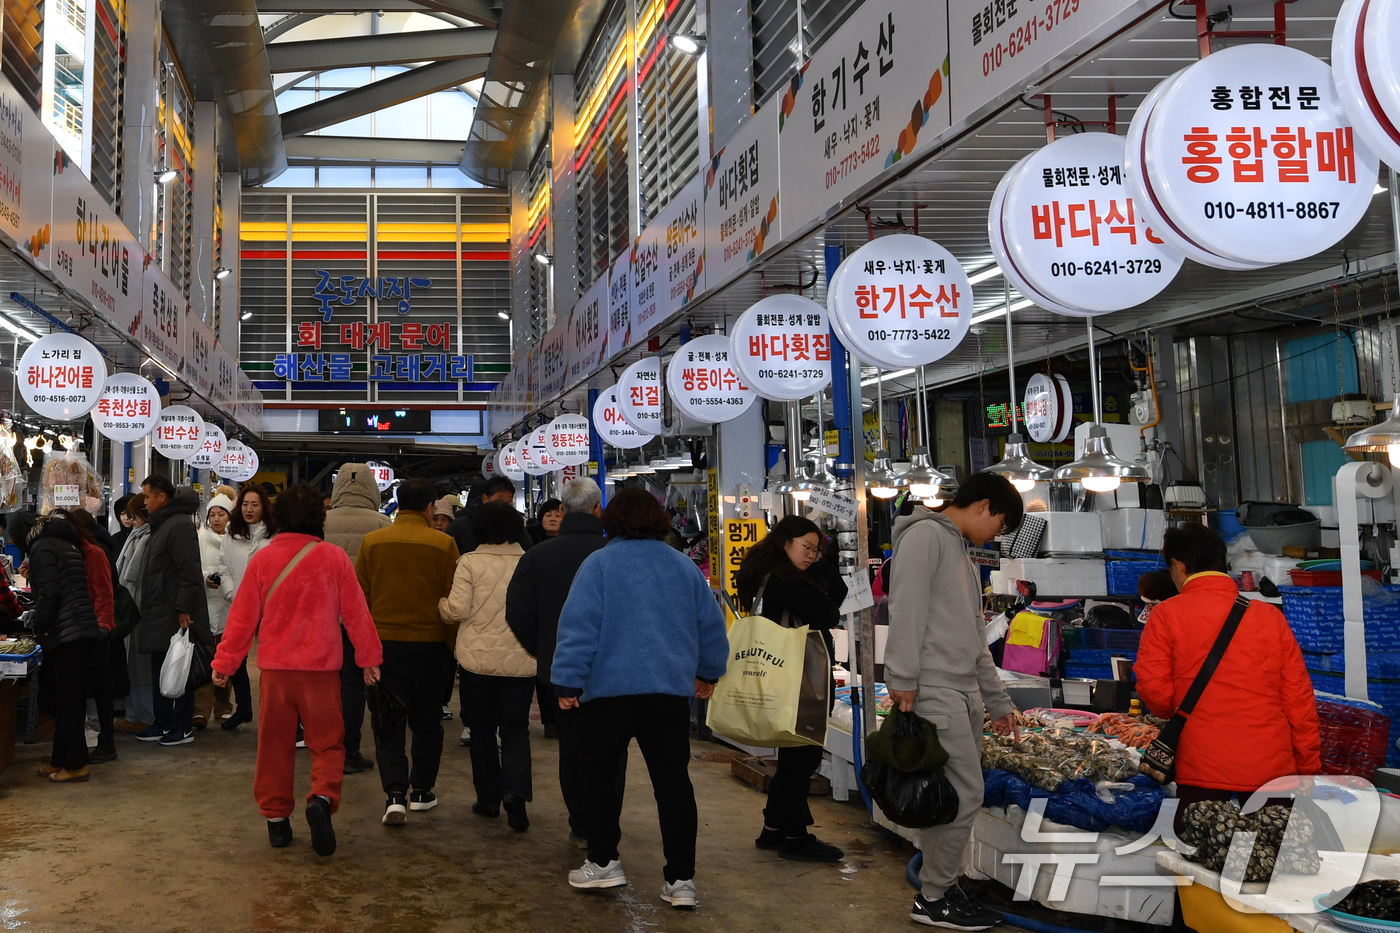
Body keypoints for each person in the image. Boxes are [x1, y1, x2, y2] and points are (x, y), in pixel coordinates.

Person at [552, 487, 728, 909]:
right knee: (673, 786)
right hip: (668, 694)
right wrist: (708, 673)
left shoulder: (598, 565)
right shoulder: (682, 567)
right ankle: (681, 880)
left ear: (610, 520)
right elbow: (711, 626)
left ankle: (604, 860)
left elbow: (579, 628)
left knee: (597, 776)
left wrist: (568, 682)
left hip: (608, 694)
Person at [885, 472, 1024, 931]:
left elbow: (972, 635)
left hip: (960, 690)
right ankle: (934, 897)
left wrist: (997, 701)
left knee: (945, 798)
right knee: (965, 795)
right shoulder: (926, 536)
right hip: (935, 690)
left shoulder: (958, 547)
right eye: (1001, 525)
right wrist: (902, 676)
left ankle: (941, 883)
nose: (997, 536)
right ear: (984, 506)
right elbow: (907, 609)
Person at [213, 484, 384, 857]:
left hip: (275, 671)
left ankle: (276, 822)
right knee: (327, 743)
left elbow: (242, 619)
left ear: (277, 518)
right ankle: (321, 798)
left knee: (273, 745)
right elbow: (357, 614)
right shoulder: (335, 558)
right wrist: (369, 659)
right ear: (318, 518)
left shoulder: (263, 559)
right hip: (321, 671)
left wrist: (225, 663)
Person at [1135, 524, 1320, 825]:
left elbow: (1158, 697)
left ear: (1179, 567)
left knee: (1198, 864)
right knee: (1270, 865)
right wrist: (1307, 768)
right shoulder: (1270, 618)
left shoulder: (1166, 616)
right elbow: (1299, 702)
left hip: (1202, 769)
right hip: (1269, 770)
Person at [735, 515, 848, 863]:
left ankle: (773, 829)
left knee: (795, 757)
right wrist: (826, 568)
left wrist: (820, 563)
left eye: (816, 549)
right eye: (806, 547)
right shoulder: (784, 581)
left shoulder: (771, 575)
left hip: (792, 678)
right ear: (785, 543)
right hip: (801, 679)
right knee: (802, 757)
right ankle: (796, 836)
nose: (811, 555)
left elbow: (836, 596)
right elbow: (830, 609)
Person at [506, 476, 609, 844]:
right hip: (611, 672)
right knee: (608, 751)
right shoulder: (612, 553)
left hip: (559, 671)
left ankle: (580, 824)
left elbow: (517, 611)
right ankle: (604, 824)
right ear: (599, 509)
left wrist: (544, 651)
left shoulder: (537, 555)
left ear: (563, 511)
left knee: (572, 750)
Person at [356, 477, 460, 825]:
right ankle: (422, 792)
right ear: (431, 508)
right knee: (428, 722)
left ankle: (395, 795)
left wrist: (365, 646)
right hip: (430, 646)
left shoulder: (372, 542)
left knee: (388, 721)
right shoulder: (444, 545)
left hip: (385, 646)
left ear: (398, 504)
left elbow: (361, 598)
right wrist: (450, 647)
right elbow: (452, 601)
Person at [439, 501, 531, 829]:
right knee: (516, 729)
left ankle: (489, 799)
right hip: (522, 660)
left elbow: (457, 610)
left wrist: (441, 605)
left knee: (481, 731)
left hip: (476, 662)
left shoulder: (470, 562)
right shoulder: (529, 560)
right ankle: (516, 795)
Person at [12, 511, 101, 781]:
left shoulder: (41, 547)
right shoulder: (62, 542)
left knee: (69, 702)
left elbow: (49, 593)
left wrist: (42, 624)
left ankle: (75, 765)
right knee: (66, 700)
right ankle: (60, 759)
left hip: (67, 630)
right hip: (78, 628)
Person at [132, 476, 214, 748]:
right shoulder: (162, 525)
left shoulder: (179, 526)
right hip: (159, 610)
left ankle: (182, 725)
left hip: (174, 612)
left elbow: (189, 572)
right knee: (161, 670)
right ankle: (163, 722)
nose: (144, 502)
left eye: (147, 497)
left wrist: (184, 609)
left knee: (180, 668)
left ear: (162, 498)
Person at [325, 463, 391, 774]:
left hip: (323, 617)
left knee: (325, 684)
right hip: (362, 616)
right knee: (352, 684)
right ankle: (349, 750)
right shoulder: (382, 523)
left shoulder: (321, 521)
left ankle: (323, 747)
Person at [218, 484, 278, 731]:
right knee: (237, 657)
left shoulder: (274, 534)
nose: (249, 509)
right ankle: (244, 708)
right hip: (239, 603)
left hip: (270, 606)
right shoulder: (232, 530)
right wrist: (232, 593)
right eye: (244, 504)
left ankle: (276, 712)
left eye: (254, 504)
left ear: (264, 507)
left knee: (272, 659)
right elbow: (224, 566)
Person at [63, 508, 117, 764]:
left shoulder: (95, 554)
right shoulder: (69, 553)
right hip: (77, 632)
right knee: (84, 690)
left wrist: (102, 627)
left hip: (96, 633)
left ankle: (107, 743)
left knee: (101, 690)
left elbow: (105, 594)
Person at [196, 494, 235, 724]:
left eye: (221, 514)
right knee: (205, 659)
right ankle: (200, 709)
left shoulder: (236, 541)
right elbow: (195, 568)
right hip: (207, 607)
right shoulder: (200, 541)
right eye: (212, 514)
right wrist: (205, 579)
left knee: (226, 659)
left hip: (230, 607)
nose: (216, 519)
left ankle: (224, 707)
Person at [115, 495, 154, 729]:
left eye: (133, 516)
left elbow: (132, 575)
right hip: (132, 605)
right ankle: (135, 713)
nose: (130, 520)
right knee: (134, 663)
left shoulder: (147, 538)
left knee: (142, 664)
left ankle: (146, 714)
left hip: (142, 607)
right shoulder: (135, 537)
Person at [447, 476, 531, 555]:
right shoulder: (460, 526)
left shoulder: (517, 529)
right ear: (485, 499)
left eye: (509, 500)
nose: (504, 505)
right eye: (500, 499)